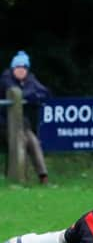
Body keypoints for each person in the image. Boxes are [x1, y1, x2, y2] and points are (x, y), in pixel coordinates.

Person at [0, 50, 50, 184]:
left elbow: (44, 91)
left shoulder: (30, 78)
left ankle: (43, 175)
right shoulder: (6, 78)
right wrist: (31, 94)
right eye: (18, 68)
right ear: (13, 68)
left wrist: (35, 95)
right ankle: (21, 176)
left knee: (34, 141)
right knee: (20, 140)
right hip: (6, 123)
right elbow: (16, 93)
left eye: (24, 68)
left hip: (23, 123)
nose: (21, 71)